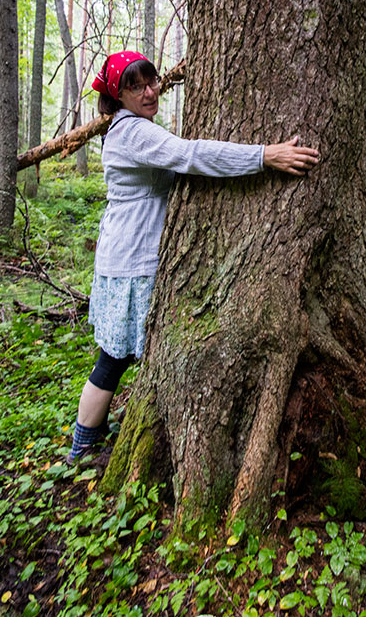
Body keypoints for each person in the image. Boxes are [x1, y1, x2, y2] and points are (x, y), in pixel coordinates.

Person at [68, 50, 319, 462]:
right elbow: (191, 155)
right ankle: (83, 448)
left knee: (118, 356)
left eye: (152, 81)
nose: (150, 92)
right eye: (136, 86)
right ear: (118, 94)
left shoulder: (130, 127)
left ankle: (89, 439)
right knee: (115, 358)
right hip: (133, 261)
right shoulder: (133, 132)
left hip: (128, 255)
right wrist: (265, 156)